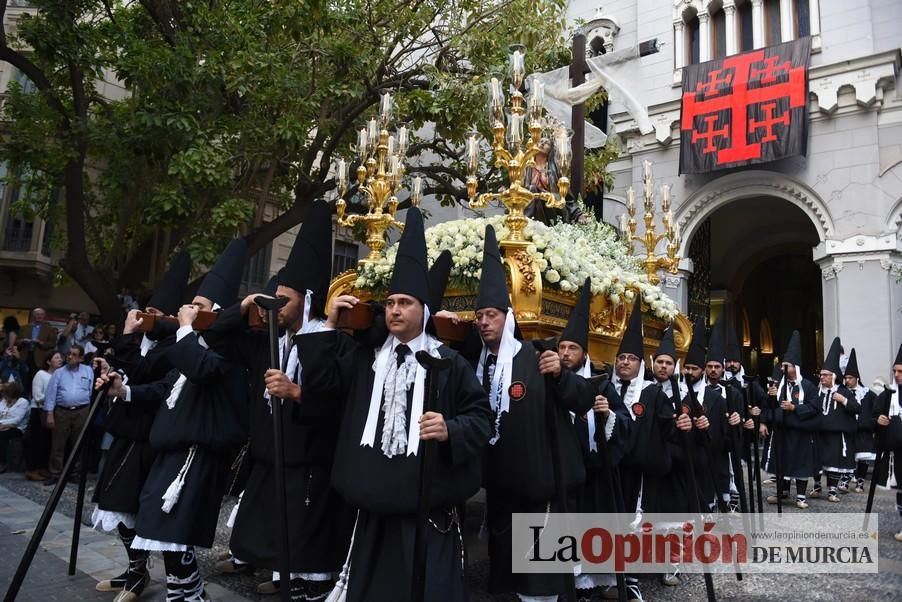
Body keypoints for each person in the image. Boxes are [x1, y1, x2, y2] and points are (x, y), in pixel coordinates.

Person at [297, 208, 492, 602]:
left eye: (404, 302)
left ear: (423, 309)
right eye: (390, 303)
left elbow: (482, 420)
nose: (395, 310)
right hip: (372, 507)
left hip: (426, 510)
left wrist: (450, 429)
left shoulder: (448, 363)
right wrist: (330, 324)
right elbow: (321, 384)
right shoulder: (364, 359)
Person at [101, 239, 249, 602]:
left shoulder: (223, 349)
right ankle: (189, 595)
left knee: (172, 533)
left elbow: (202, 370)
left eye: (196, 306)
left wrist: (184, 329)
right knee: (160, 532)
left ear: (214, 311)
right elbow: (165, 386)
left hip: (196, 454)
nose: (188, 310)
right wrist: (125, 391)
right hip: (173, 452)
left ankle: (187, 596)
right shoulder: (193, 347)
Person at [229, 201, 354, 601]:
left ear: (307, 299)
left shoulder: (333, 340)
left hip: (311, 459)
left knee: (307, 540)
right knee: (273, 538)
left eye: (284, 298)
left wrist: (297, 392)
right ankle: (290, 577)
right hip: (272, 456)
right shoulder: (271, 338)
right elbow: (219, 340)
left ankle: (308, 585)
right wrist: (245, 306)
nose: (276, 305)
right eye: (274, 296)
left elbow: (340, 399)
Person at [91, 251, 190, 601]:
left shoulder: (172, 346)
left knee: (131, 505)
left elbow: (146, 374)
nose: (149, 320)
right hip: (123, 431)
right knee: (112, 503)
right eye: (148, 314)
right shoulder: (143, 342)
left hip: (148, 436)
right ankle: (134, 569)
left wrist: (126, 338)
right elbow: (129, 369)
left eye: (157, 316)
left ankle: (142, 575)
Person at [556, 279, 631, 599]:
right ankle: (569, 585)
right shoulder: (552, 382)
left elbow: (625, 422)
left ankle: (595, 582)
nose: (565, 353)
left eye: (572, 348)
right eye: (561, 347)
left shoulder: (600, 383)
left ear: (584, 353)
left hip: (595, 471)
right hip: (564, 471)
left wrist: (607, 414)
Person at [763, 331, 820, 510]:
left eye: (786, 366)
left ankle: (801, 496)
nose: (782, 369)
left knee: (800, 464)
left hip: (800, 432)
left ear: (795, 367)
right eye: (782, 367)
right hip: (781, 431)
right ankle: (782, 492)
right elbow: (769, 407)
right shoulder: (778, 385)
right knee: (782, 461)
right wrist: (771, 398)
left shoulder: (808, 386)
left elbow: (814, 408)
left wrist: (795, 408)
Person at [815, 337, 860, 503]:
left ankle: (832, 491)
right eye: (821, 375)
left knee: (834, 462)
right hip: (819, 433)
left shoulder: (844, 391)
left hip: (836, 435)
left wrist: (843, 400)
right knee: (817, 461)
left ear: (833, 376)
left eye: (825, 375)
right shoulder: (817, 391)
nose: (822, 378)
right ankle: (817, 486)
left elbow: (857, 408)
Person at [43, 344, 94, 485]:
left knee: (78, 443)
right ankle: (55, 473)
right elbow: (51, 394)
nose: (70, 357)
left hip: (82, 410)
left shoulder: (88, 371)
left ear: (81, 358)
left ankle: (74, 473)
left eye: (74, 354)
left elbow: (90, 391)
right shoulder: (59, 373)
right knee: (58, 443)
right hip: (62, 411)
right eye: (69, 353)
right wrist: (49, 413)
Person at [873, 342, 902, 542]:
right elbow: (872, 416)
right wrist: (879, 420)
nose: (897, 374)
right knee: (901, 488)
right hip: (897, 453)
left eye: (900, 371)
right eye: (895, 371)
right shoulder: (887, 395)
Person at [23, 351, 62, 481]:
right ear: (48, 361)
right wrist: (53, 399)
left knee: (46, 441)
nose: (60, 359)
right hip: (39, 410)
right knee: (35, 440)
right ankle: (31, 469)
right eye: (56, 357)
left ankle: (42, 467)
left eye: (60, 357)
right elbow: (37, 395)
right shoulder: (41, 374)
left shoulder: (60, 376)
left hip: (53, 410)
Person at [845, 349, 877, 493]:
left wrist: (869, 423)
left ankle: (860, 481)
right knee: (847, 455)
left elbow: (876, 411)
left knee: (862, 457)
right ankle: (845, 480)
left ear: (857, 378)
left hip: (863, 430)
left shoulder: (868, 394)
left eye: (850, 378)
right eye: (846, 378)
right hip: (848, 430)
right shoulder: (842, 393)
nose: (847, 381)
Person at [18, 308, 60, 392]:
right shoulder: (24, 327)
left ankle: (34, 397)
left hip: (40, 357)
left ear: (44, 316)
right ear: (33, 315)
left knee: (36, 379)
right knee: (23, 379)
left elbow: (52, 344)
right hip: (25, 356)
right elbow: (17, 341)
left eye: (41, 314)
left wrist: (41, 343)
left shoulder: (49, 329)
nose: (39, 316)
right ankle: (23, 397)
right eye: (37, 314)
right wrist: (23, 341)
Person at [0, 382, 29, 472]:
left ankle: (2, 463)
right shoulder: (3, 401)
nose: (3, 396)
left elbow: (16, 420)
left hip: (18, 428)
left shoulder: (23, 402)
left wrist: (2, 423)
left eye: (5, 393)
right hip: (3, 426)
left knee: (2, 434)